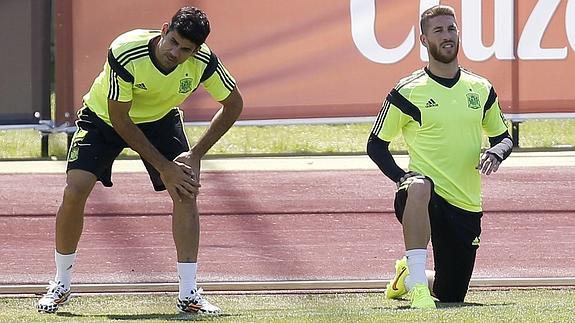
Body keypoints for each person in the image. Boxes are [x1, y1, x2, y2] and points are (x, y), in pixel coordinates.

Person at [37, 6, 243, 314]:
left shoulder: (204, 61)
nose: (176, 52)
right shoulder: (126, 50)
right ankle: (60, 284)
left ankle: (189, 294)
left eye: (186, 49)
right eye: (173, 42)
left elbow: (234, 105)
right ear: (163, 30)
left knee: (186, 191)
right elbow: (121, 120)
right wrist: (165, 168)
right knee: (75, 189)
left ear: (196, 50)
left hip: (160, 119)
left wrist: (195, 155)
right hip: (105, 118)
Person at [367, 5, 513, 309]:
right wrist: (401, 177)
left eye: (451, 29)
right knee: (419, 185)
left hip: (465, 202)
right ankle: (419, 286)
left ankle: (407, 277)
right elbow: (376, 144)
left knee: (452, 294)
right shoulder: (408, 91)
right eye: (439, 30)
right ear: (424, 40)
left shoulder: (481, 88)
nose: (447, 36)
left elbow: (503, 137)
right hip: (423, 196)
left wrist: (496, 152)